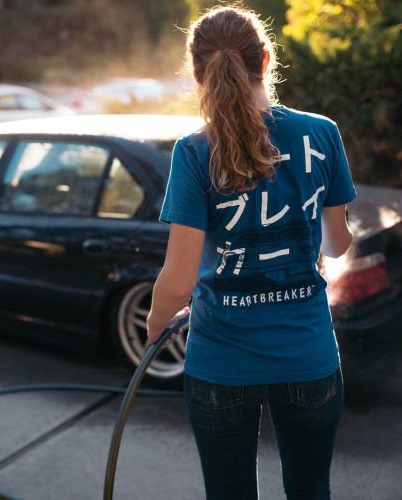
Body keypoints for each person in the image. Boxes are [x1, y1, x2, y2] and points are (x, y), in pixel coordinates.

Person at [146, 4, 357, 500]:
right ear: (265, 59)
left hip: (220, 364)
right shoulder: (322, 134)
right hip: (308, 357)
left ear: (198, 74)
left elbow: (177, 282)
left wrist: (156, 327)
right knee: (310, 490)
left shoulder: (193, 151)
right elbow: (336, 242)